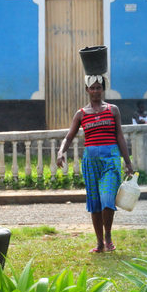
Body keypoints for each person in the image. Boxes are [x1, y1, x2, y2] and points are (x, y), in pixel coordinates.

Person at [56, 74, 134, 253]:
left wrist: (128, 162)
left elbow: (120, 136)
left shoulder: (113, 110)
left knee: (107, 200)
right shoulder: (81, 114)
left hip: (110, 160)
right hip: (90, 162)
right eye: (92, 88)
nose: (95, 91)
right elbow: (69, 136)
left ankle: (108, 235)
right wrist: (61, 152)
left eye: (99, 87)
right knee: (95, 202)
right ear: (87, 90)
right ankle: (99, 243)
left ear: (103, 89)